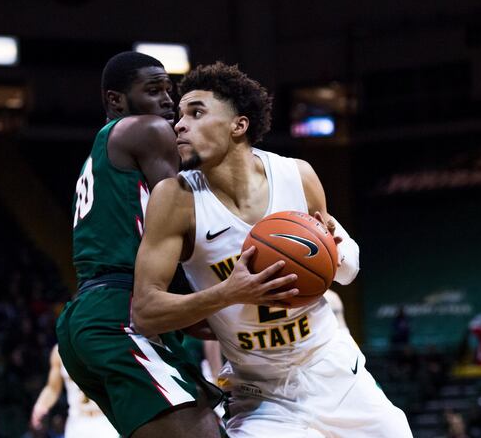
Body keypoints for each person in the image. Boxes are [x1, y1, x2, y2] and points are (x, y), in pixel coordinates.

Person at [132, 62, 412, 438]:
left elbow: (345, 270)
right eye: (179, 115)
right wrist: (228, 293)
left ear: (239, 125)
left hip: (334, 371)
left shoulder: (297, 176)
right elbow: (145, 312)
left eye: (196, 113)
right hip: (259, 392)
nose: (179, 124)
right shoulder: (174, 199)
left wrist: (338, 248)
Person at [55, 52, 223, 438]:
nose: (167, 100)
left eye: (169, 89)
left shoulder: (103, 150)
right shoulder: (147, 129)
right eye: (153, 90)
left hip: (94, 313)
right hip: (121, 314)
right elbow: (185, 220)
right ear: (115, 100)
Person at [31, 345, 118, 437]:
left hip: (107, 421)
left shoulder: (107, 342)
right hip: (76, 423)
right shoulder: (59, 351)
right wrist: (40, 406)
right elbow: (53, 389)